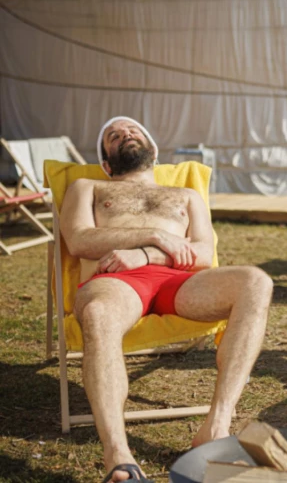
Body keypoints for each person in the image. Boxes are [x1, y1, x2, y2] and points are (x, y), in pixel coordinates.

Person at [61, 117, 272, 483]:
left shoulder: (186, 196)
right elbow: (79, 240)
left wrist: (146, 255)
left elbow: (204, 252)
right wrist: (157, 234)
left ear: (153, 151)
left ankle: (216, 428)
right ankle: (118, 455)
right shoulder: (88, 187)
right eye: (114, 135)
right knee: (97, 314)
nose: (126, 134)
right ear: (107, 164)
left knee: (256, 281)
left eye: (133, 131)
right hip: (114, 281)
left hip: (178, 281)